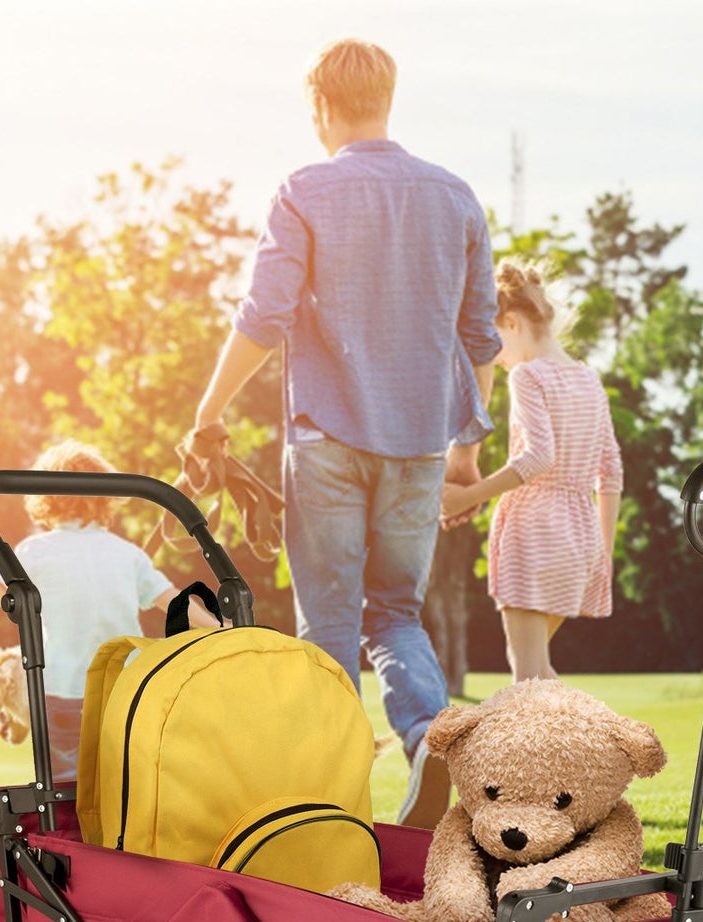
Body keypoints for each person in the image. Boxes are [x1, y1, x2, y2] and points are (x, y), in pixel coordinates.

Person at [189, 37, 501, 828]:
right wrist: (467, 451)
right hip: (420, 444)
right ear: (386, 100)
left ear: (322, 107)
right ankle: (429, 733)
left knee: (326, 620)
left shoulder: (305, 188)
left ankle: (329, 795)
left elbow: (264, 315)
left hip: (324, 439)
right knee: (394, 611)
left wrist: (209, 411)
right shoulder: (454, 195)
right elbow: (481, 336)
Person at [0, 439, 220, 780]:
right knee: (127, 784)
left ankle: (65, 824)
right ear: (106, 496)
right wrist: (223, 629)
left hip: (60, 695)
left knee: (67, 792)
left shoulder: (35, 551)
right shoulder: (126, 553)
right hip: (126, 694)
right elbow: (175, 602)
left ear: (44, 498)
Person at [441, 261, 624, 683]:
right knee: (540, 674)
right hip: (578, 540)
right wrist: (603, 551)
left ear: (511, 322)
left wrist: (469, 496)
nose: (493, 358)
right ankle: (583, 746)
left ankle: (588, 746)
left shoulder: (527, 376)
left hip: (534, 534)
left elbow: (539, 457)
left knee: (526, 682)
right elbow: (611, 471)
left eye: (493, 342)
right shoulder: (589, 380)